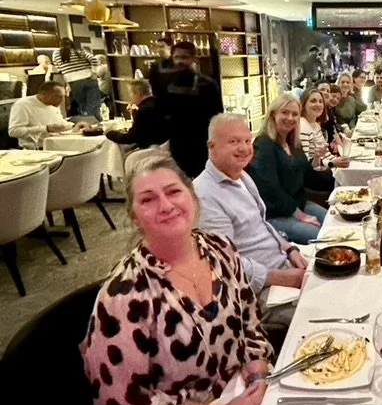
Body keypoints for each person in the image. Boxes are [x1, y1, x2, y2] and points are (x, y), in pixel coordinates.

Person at [81, 149, 273, 405]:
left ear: (193, 198)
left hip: (239, 400)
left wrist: (257, 380)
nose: (166, 205)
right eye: (148, 199)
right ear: (134, 217)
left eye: (173, 191)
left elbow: (249, 322)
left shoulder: (221, 250)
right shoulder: (123, 298)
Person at [194, 114, 309, 343]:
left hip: (283, 265)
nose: (244, 148)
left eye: (247, 141)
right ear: (212, 147)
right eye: (234, 141)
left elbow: (262, 224)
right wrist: (282, 278)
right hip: (260, 292)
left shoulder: (241, 176)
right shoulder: (205, 195)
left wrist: (289, 249)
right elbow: (225, 264)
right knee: (323, 312)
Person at [247, 94, 331, 243]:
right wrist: (300, 215)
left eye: (294, 114)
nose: (290, 118)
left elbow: (309, 176)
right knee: (323, 236)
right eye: (285, 112)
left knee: (334, 223)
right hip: (275, 214)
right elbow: (271, 190)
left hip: (298, 204)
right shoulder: (264, 144)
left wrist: (338, 182)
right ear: (273, 115)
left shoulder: (293, 143)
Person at [158, 41, 223, 179]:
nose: (180, 61)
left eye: (184, 57)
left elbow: (217, 117)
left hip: (201, 143)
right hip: (177, 143)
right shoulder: (165, 84)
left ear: (194, 59)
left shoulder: (208, 85)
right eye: (176, 57)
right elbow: (161, 112)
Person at [8, 80, 84, 148]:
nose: (62, 100)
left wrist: (74, 126)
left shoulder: (53, 105)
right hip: (34, 149)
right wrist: (46, 129)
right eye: (58, 96)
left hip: (55, 145)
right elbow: (13, 131)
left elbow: (59, 123)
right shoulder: (22, 105)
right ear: (44, 94)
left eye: (63, 97)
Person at [105, 79, 168, 149]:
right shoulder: (162, 103)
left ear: (138, 94)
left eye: (130, 94)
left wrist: (110, 133)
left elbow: (130, 138)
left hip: (154, 148)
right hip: (167, 145)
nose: (130, 97)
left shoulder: (143, 110)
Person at [299, 88, 349, 169]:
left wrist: (338, 161)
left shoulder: (316, 125)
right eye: (313, 101)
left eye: (320, 101)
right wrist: (332, 164)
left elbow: (325, 154)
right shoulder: (302, 126)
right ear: (303, 105)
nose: (318, 104)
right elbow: (305, 164)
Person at [52, 37, 102, 119]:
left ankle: (89, 122)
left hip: (73, 81)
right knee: (94, 104)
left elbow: (58, 68)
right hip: (89, 78)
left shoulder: (56, 54)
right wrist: (94, 72)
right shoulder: (78, 51)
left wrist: (66, 71)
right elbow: (93, 59)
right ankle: (97, 122)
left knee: (82, 105)